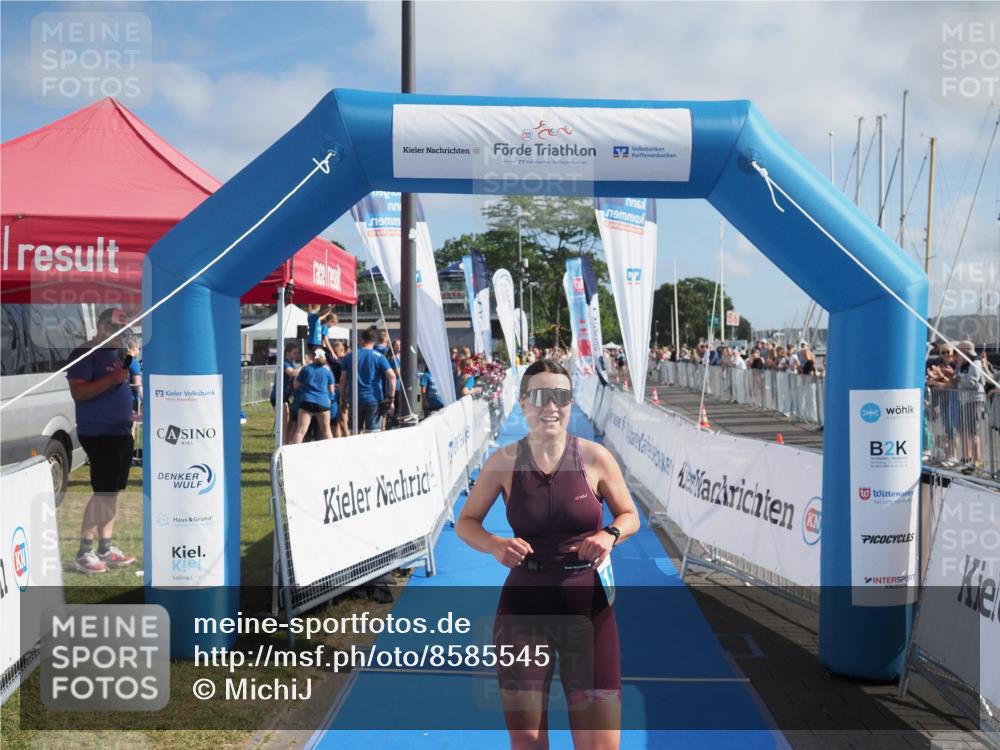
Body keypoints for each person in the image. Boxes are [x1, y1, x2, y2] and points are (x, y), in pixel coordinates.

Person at [456, 359, 639, 749]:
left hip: (589, 612)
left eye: (560, 396)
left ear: (571, 402)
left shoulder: (595, 458)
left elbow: (630, 515)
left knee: (600, 744)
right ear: (523, 402)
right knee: (528, 743)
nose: (550, 406)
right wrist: (494, 545)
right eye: (540, 396)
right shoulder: (505, 461)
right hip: (524, 614)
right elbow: (466, 521)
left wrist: (610, 535)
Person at [66, 307, 137, 574]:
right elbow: (79, 393)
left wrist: (127, 364)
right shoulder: (84, 353)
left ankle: (105, 548)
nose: (124, 333)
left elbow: (120, 383)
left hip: (120, 431)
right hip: (99, 433)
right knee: (102, 492)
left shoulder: (118, 353)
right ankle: (84, 552)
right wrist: (112, 378)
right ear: (103, 327)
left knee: (112, 492)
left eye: (126, 328)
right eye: (119, 327)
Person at [339, 328, 397, 433]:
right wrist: (390, 398)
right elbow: (392, 377)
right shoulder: (379, 357)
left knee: (355, 433)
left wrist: (343, 398)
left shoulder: (350, 356)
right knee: (373, 434)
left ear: (362, 339)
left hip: (355, 399)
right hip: (373, 399)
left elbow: (343, 380)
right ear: (375, 341)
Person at [290, 349, 336, 443]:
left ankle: (294, 455)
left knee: (300, 431)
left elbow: (296, 386)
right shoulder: (328, 371)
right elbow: (332, 390)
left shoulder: (306, 369)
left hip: (307, 401)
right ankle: (332, 453)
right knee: (327, 431)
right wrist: (330, 400)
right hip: (322, 402)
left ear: (312, 357)